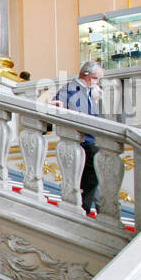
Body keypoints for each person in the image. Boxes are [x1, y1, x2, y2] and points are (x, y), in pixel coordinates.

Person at [54, 61, 105, 215]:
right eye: (95, 78)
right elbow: (57, 103)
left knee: (94, 180)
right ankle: (84, 211)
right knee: (89, 180)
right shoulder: (71, 89)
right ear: (86, 74)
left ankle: (93, 209)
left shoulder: (88, 92)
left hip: (91, 140)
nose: (96, 83)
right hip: (83, 141)